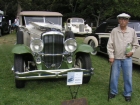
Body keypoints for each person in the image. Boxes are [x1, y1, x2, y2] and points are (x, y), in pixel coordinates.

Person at [107, 13, 139, 102]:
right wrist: (111, 56)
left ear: (128, 21)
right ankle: (113, 92)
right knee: (114, 76)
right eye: (121, 19)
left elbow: (135, 44)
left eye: (125, 19)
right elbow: (110, 45)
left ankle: (127, 93)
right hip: (116, 58)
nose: (123, 21)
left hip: (127, 59)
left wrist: (132, 52)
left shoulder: (132, 31)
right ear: (118, 20)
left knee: (128, 77)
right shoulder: (114, 31)